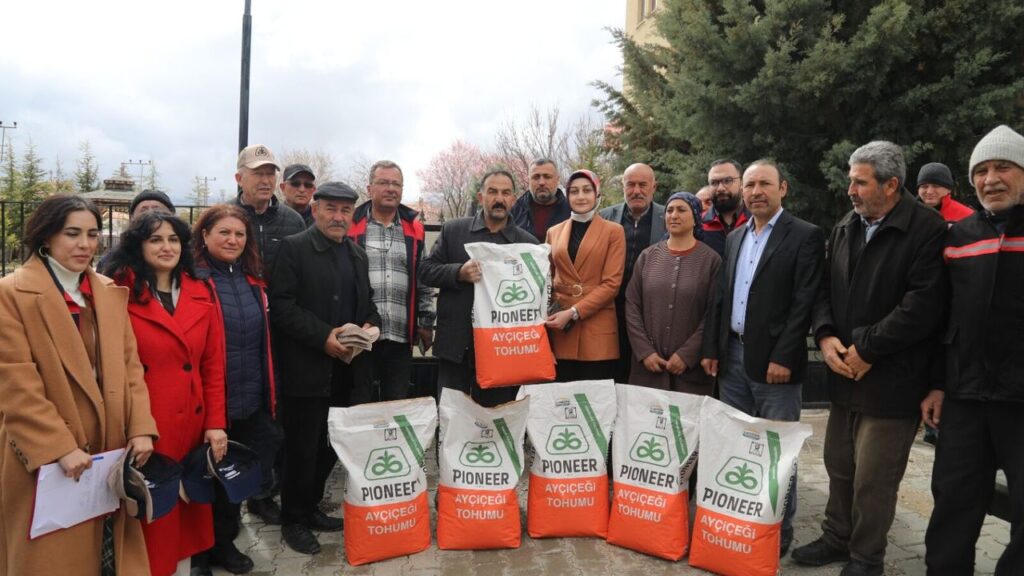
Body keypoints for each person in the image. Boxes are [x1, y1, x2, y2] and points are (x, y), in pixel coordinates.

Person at [793, 141, 947, 576]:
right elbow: (824, 289)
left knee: (873, 480)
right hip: (844, 373)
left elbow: (923, 306)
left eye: (860, 182)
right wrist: (824, 338)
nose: (850, 190)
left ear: (892, 184)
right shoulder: (847, 225)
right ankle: (836, 537)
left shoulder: (927, 229)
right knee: (839, 467)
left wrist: (868, 348)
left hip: (892, 381)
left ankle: (866, 558)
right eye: (851, 181)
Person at [0, 194, 157, 575]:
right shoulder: (11, 293)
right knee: (53, 559)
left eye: (92, 234)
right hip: (47, 459)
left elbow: (130, 367)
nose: (85, 245)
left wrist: (140, 428)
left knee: (109, 556)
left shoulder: (105, 291)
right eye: (72, 234)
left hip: (109, 452)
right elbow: (16, 384)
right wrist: (58, 447)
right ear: (46, 237)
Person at [700, 160, 825, 556]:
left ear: (783, 188)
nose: (756, 191)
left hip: (775, 363)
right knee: (741, 445)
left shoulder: (804, 235)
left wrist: (785, 356)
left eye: (764, 184)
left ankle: (778, 531)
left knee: (777, 450)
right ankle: (746, 523)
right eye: (750, 185)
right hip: (733, 358)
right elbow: (721, 298)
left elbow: (804, 301)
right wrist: (712, 350)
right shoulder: (736, 237)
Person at [102, 212, 228, 576]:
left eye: (173, 239)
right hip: (146, 430)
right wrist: (134, 426)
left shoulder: (200, 291)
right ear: (138, 246)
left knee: (184, 528)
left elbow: (212, 365)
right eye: (156, 239)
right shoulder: (117, 293)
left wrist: (216, 423)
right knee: (150, 525)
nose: (166, 247)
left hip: (190, 429)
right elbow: (115, 368)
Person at [924, 125, 1024, 576]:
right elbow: (941, 320)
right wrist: (935, 385)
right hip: (965, 399)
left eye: (1003, 167)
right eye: (981, 171)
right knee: (952, 505)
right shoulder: (958, 235)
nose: (990, 179)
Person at [269, 182, 380, 555]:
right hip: (307, 368)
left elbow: (367, 304)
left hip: (347, 371)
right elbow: (281, 307)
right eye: (330, 208)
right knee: (301, 448)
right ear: (315, 209)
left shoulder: (356, 254)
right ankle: (293, 520)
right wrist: (323, 337)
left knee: (330, 445)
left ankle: (310, 506)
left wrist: (371, 325)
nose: (338, 217)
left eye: (345, 211)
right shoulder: (293, 248)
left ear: (353, 215)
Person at [192, 204, 282, 575]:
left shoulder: (252, 280)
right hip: (207, 400)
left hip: (250, 394)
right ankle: (199, 551)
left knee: (232, 477)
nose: (233, 240)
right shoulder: (194, 281)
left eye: (240, 234)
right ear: (205, 236)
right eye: (224, 233)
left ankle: (224, 543)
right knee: (200, 480)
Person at [420, 169, 538, 407]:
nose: (499, 198)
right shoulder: (454, 231)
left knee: (494, 424)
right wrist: (458, 273)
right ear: (480, 197)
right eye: (492, 191)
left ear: (513, 199)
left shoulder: (527, 244)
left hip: (503, 352)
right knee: (452, 421)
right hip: (456, 346)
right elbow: (426, 270)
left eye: (506, 193)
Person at [348, 160, 435, 401]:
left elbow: (424, 279)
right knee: (359, 403)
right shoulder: (352, 226)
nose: (390, 189)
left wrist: (426, 322)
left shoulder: (414, 229)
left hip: (400, 335)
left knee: (396, 405)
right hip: (361, 336)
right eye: (383, 182)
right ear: (369, 188)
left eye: (396, 184)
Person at [625, 191, 720, 394]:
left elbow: (712, 314)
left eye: (681, 210)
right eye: (669, 210)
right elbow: (632, 305)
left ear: (695, 217)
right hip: (648, 369)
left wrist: (687, 355)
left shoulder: (711, 261)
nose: (674, 215)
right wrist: (645, 352)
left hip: (690, 372)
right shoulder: (648, 257)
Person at [545, 169, 625, 382]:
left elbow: (611, 284)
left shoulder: (614, 231)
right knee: (563, 403)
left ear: (597, 194)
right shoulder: (554, 232)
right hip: (561, 329)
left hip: (596, 327)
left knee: (594, 404)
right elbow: (546, 281)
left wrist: (573, 312)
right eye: (574, 191)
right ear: (567, 195)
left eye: (587, 190)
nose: (580, 196)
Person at [599, 163, 666, 383]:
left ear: (653, 187)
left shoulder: (668, 218)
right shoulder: (604, 217)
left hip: (649, 313)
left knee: (642, 376)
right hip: (610, 310)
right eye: (631, 185)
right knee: (611, 373)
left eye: (643, 185)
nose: (636, 190)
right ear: (623, 186)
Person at [231, 144, 305, 276]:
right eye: (258, 174)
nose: (265, 181)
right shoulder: (222, 218)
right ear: (239, 179)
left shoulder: (294, 221)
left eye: (270, 174)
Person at [510, 158, 570, 241]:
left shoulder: (570, 212)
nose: (541, 182)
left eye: (547, 177)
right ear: (529, 180)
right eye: (536, 177)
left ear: (557, 180)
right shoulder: (516, 210)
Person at [702, 159, 749, 257]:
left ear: (742, 183)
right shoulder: (697, 224)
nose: (720, 188)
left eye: (727, 181)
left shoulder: (757, 222)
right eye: (714, 183)